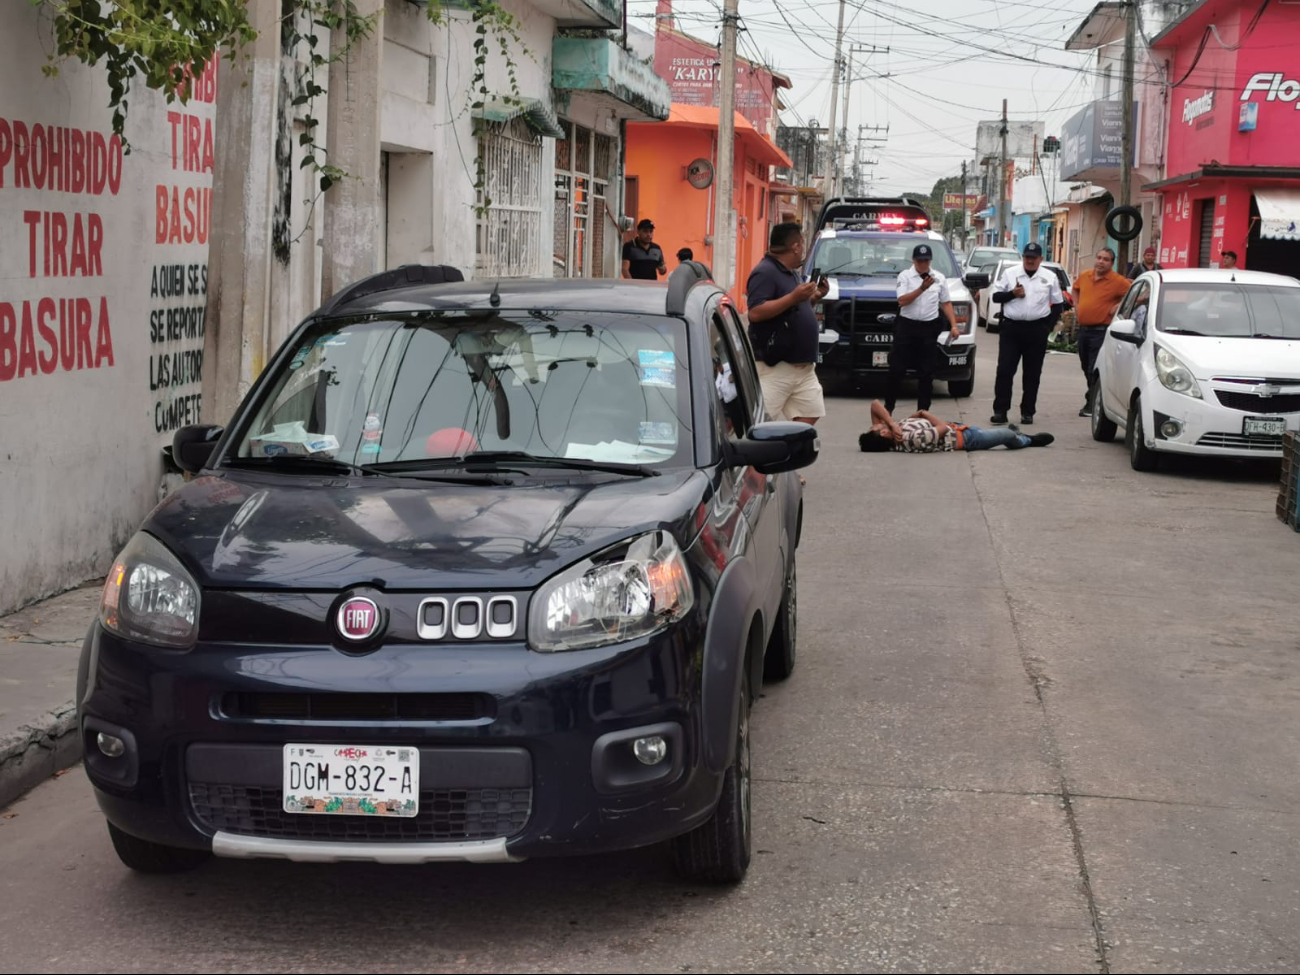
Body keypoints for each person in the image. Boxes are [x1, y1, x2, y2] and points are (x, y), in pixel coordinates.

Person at [746, 222, 830, 425]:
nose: (803, 248)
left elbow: (793, 308)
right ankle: (761, 456)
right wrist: (794, 297)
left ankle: (784, 453)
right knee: (759, 425)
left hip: (803, 368)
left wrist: (814, 297)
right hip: (777, 366)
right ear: (795, 246)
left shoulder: (792, 271)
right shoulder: (764, 272)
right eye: (802, 242)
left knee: (810, 413)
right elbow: (755, 312)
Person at [989, 242, 1065, 426]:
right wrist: (1012, 294)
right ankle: (1000, 411)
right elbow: (996, 297)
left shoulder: (1049, 277)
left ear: (1040, 259)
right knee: (1005, 371)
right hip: (1012, 329)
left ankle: (1027, 412)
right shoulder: (1010, 274)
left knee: (1032, 374)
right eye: (1027, 257)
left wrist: (1047, 327)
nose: (1030, 261)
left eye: (1033, 258)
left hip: (1036, 330)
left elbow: (1058, 304)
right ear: (1023, 258)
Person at [890, 244, 961, 414]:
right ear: (914, 260)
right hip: (907, 326)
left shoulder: (939, 278)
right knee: (896, 369)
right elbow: (902, 301)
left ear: (930, 260)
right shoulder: (905, 276)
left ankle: (923, 412)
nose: (923, 264)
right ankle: (888, 408)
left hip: (928, 328)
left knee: (927, 372)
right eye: (920, 260)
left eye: (926, 260)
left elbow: (946, 303)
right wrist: (922, 288)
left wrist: (953, 325)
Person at [858, 400, 1053, 453]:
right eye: (874, 428)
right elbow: (942, 428)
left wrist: (893, 423)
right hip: (969, 439)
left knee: (1006, 434)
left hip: (962, 428)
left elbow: (875, 404)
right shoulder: (911, 440)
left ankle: (1018, 435)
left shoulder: (892, 429)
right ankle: (1027, 440)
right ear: (883, 434)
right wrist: (924, 413)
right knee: (1007, 435)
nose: (874, 425)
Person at [1072, 248, 1131, 417]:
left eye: (1105, 259)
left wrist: (1118, 307)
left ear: (1112, 263)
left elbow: (1137, 295)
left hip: (1101, 331)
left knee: (1093, 368)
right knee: (1085, 366)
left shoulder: (1117, 281)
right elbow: (1075, 289)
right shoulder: (1085, 276)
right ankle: (1093, 396)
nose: (1101, 261)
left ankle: (1092, 403)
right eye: (1099, 257)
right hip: (1083, 330)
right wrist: (1076, 305)